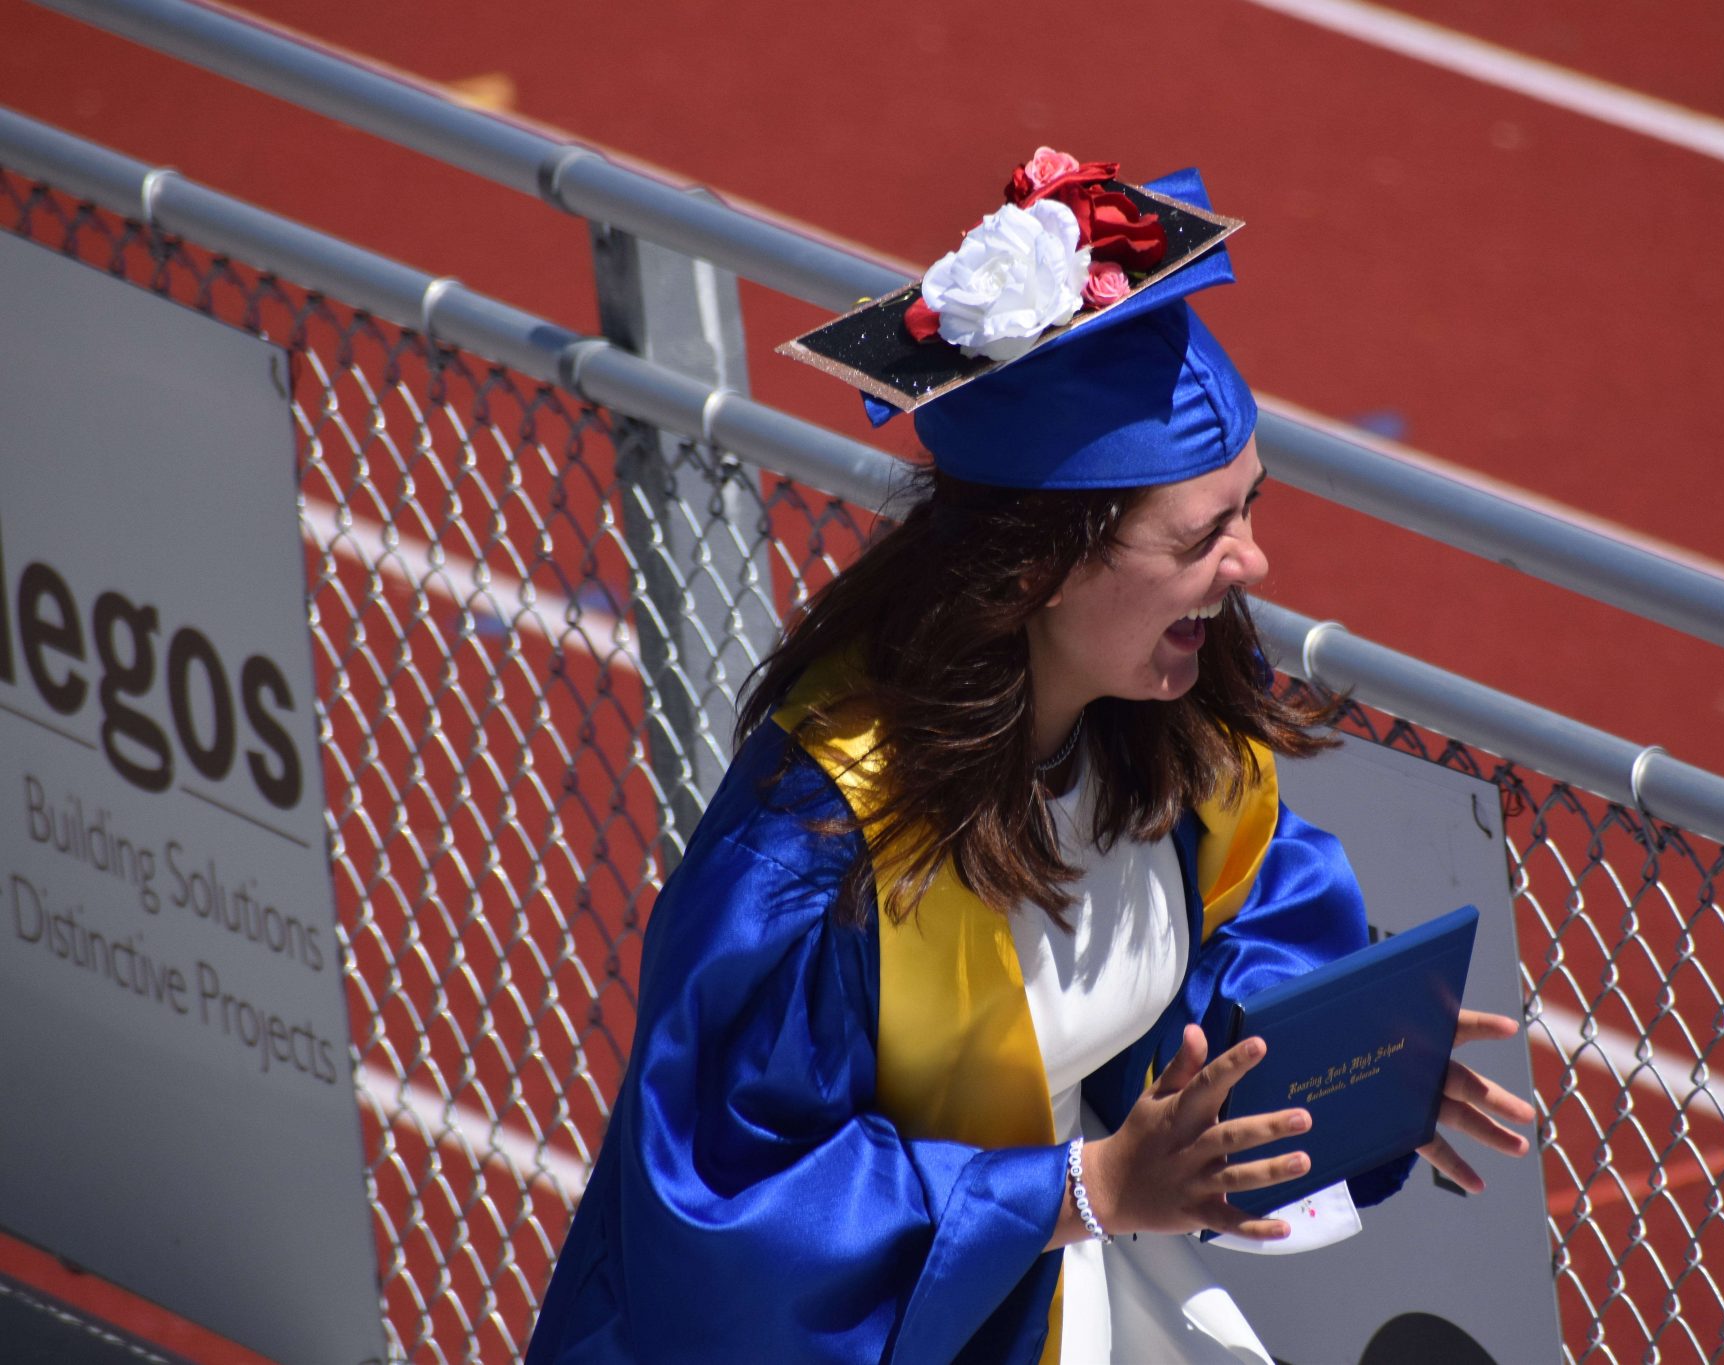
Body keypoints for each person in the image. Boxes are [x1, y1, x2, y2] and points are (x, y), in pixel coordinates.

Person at [526, 153, 1534, 1364]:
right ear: (1044, 568)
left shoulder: (1170, 731)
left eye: (1251, 509)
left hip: (1071, 1297)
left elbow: (1229, 965)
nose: (1252, 565)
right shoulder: (817, 845)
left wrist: (1342, 1075)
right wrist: (1084, 1189)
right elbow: (733, 1204)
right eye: (1204, 532)